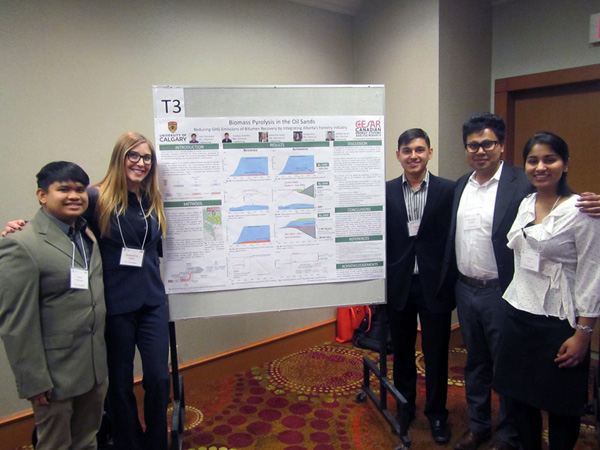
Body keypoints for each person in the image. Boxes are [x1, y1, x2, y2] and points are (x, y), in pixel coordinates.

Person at [3, 132, 170, 450]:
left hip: (151, 299)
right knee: (119, 386)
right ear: (119, 158)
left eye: (147, 157)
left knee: (159, 379)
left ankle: (155, 444)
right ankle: (128, 443)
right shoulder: (96, 197)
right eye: (133, 155)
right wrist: (19, 226)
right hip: (115, 303)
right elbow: (57, 221)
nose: (140, 162)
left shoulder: (152, 198)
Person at [447, 113, 600, 450]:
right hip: (480, 293)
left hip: (509, 295)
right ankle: (479, 426)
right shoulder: (464, 186)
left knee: (522, 379)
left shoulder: (523, 184)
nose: (480, 150)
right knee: (479, 364)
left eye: (488, 143)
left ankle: (508, 436)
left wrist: (585, 331)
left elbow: (587, 257)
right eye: (473, 145)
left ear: (501, 146)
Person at [493, 132, 600, 450]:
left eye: (549, 159)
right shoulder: (526, 203)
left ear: (565, 164)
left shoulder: (583, 211)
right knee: (521, 400)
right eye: (532, 160)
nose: (540, 166)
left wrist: (584, 332)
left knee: (561, 407)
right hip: (518, 316)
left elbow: (593, 275)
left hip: (558, 323)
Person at [0, 161, 108, 450]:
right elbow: (16, 321)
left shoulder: (86, 233)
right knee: (55, 444)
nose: (74, 196)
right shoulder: (21, 244)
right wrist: (33, 380)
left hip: (93, 365)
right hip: (54, 374)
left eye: (80, 190)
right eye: (64, 189)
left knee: (87, 439)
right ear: (42, 195)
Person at [386, 128, 455, 444]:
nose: (413, 155)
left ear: (430, 152)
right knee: (401, 352)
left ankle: (438, 414)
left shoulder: (449, 191)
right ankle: (405, 406)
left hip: (434, 286)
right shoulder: (383, 192)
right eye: (406, 150)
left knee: (436, 353)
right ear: (398, 155)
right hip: (399, 284)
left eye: (419, 149)